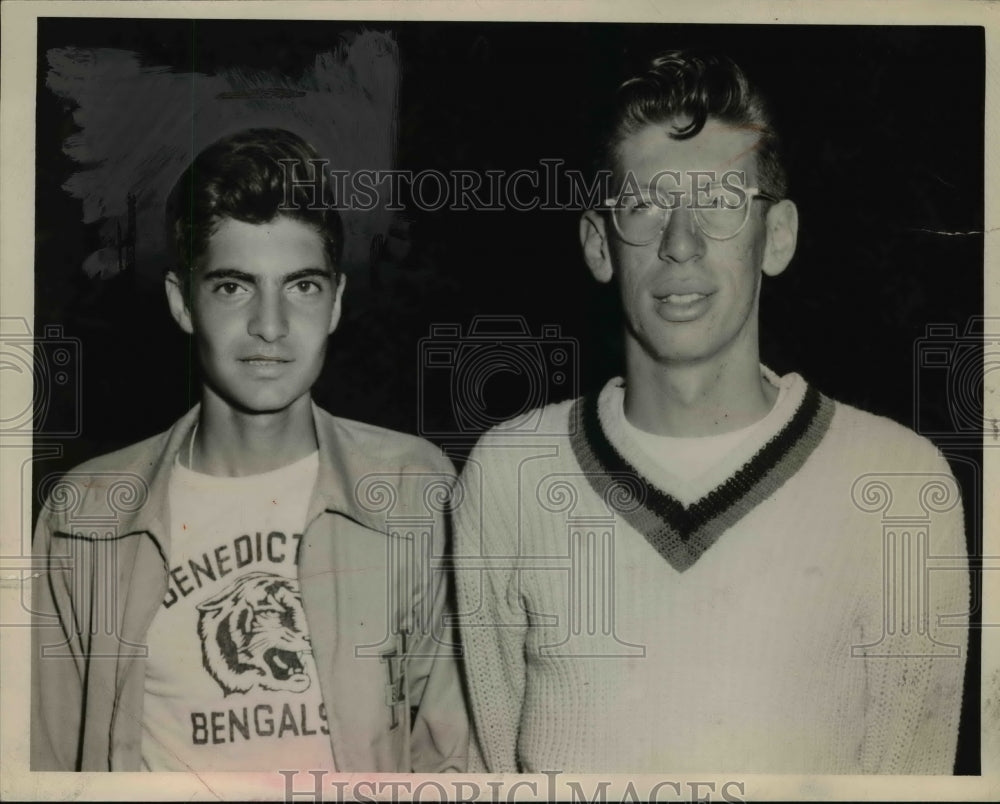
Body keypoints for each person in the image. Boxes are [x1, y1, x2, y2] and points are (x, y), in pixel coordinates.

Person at [454, 51, 969, 774]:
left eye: (722, 202)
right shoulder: (509, 475)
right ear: (600, 245)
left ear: (778, 236)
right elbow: (493, 773)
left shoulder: (899, 484)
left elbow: (913, 779)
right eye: (647, 206)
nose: (681, 242)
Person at [31, 128, 468, 772]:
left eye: (302, 286)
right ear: (183, 303)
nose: (270, 325)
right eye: (234, 287)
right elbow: (41, 761)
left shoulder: (416, 489)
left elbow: (452, 759)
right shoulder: (84, 517)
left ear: (338, 301)